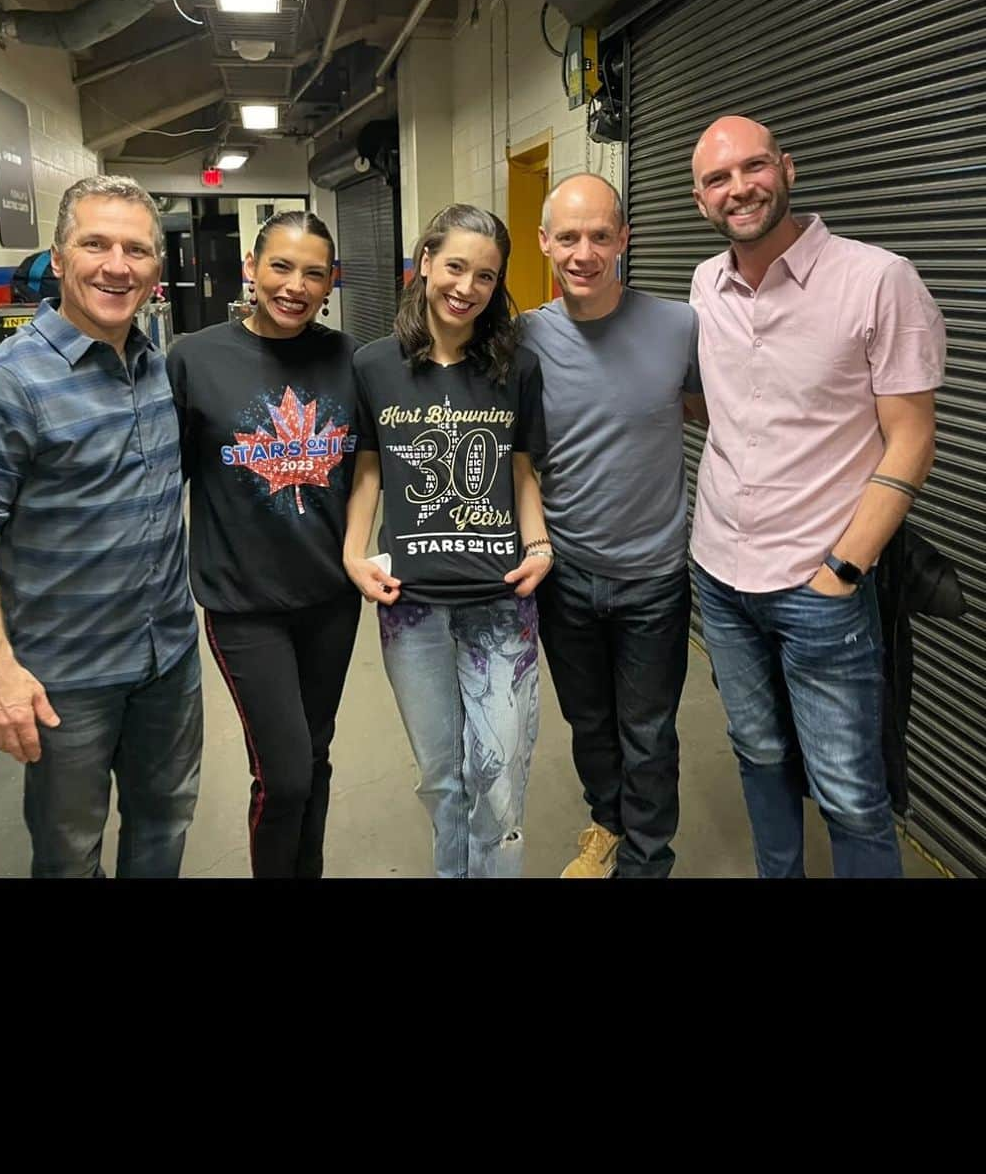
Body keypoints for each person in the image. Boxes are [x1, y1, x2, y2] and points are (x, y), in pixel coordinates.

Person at [689, 114, 947, 878]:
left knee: (849, 791)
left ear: (787, 170)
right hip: (720, 571)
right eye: (717, 178)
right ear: (700, 198)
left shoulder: (877, 279)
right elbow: (720, 402)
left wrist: (843, 570)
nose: (738, 188)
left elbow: (913, 438)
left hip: (820, 584)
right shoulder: (707, 282)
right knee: (758, 753)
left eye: (753, 167)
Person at [0, 175, 202, 879]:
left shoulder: (158, 368)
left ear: (156, 270)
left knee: (164, 824)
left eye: (137, 249)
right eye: (96, 244)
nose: (117, 265)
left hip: (166, 658)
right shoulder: (3, 384)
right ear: (57, 257)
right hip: (65, 679)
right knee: (70, 854)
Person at [344, 204, 552, 879]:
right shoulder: (374, 365)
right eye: (455, 266)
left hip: (501, 603)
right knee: (441, 779)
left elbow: (521, 466)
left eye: (485, 276)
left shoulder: (514, 367)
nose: (466, 287)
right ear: (425, 261)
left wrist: (539, 544)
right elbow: (370, 470)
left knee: (496, 781)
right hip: (412, 606)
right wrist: (353, 554)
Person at [167, 211, 360, 879]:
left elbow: (369, 472)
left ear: (331, 280)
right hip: (243, 604)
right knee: (283, 777)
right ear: (252, 266)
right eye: (281, 266)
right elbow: (167, 479)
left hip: (332, 600)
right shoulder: (194, 359)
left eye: (314, 272)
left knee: (315, 756)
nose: (295, 286)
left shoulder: (347, 358)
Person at [522, 173, 705, 879]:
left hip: (653, 578)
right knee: (590, 724)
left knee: (650, 732)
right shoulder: (525, 337)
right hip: (563, 574)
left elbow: (725, 413)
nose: (584, 252)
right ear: (544, 243)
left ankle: (648, 860)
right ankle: (609, 822)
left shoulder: (678, 325)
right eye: (567, 236)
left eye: (601, 235)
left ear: (624, 239)